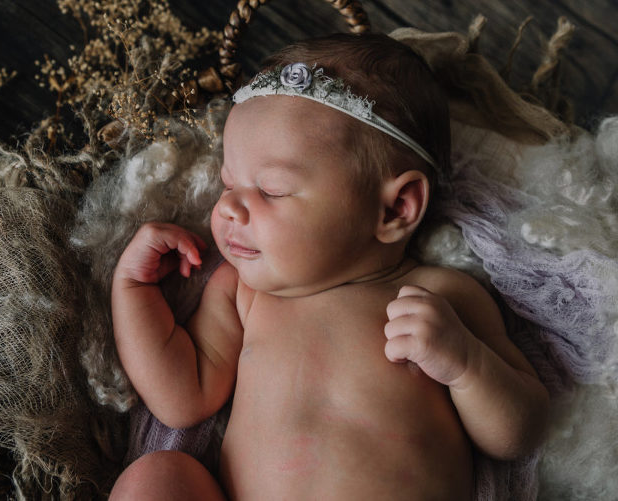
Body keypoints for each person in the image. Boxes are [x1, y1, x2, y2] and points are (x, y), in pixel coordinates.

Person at [109, 32, 549, 500]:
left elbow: (519, 434)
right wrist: (132, 289)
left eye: (272, 190)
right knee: (154, 478)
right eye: (229, 184)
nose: (229, 208)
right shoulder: (241, 293)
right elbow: (181, 398)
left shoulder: (443, 297)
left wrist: (465, 364)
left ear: (395, 208)